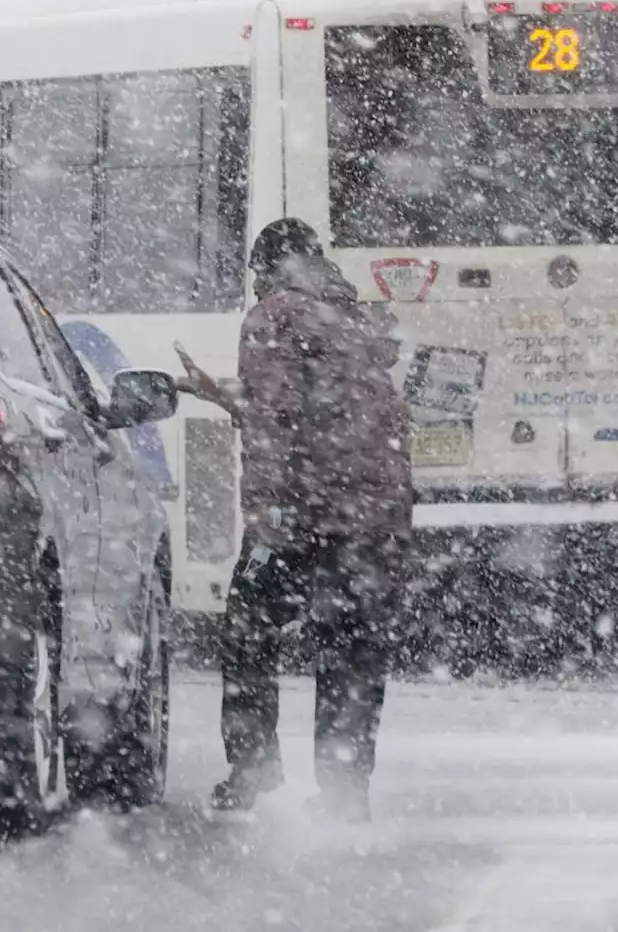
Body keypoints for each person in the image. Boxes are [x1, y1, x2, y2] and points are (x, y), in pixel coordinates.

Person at [175, 218, 412, 822]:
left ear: (266, 270)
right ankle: (345, 788)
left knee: (249, 629)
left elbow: (276, 421)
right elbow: (320, 404)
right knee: (352, 653)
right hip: (377, 519)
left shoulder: (274, 316)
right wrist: (224, 394)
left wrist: (268, 514)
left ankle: (253, 765)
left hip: (308, 511)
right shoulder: (351, 321)